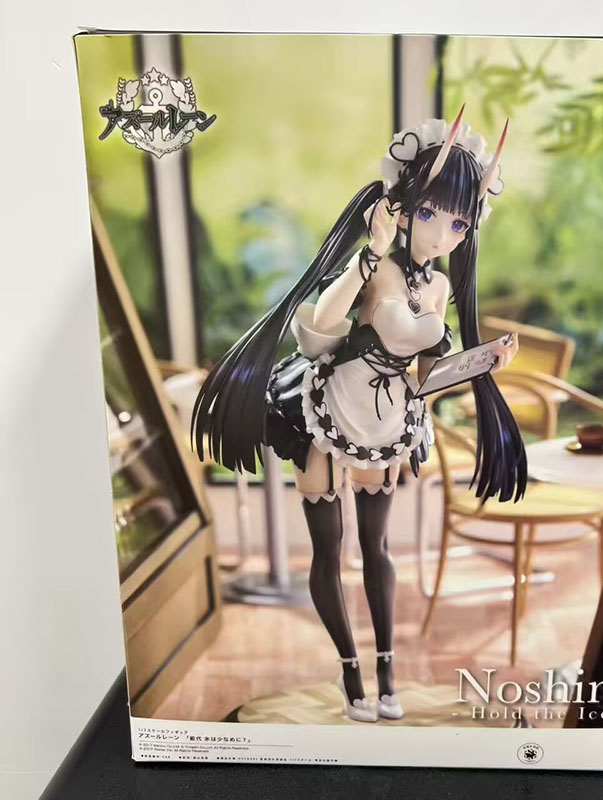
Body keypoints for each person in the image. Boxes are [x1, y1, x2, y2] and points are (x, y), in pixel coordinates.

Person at [192, 109, 528, 723]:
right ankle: (350, 672)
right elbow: (320, 325)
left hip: (389, 422)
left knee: (377, 547)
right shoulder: (378, 267)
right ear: (404, 207)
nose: (443, 234)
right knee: (330, 549)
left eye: (459, 223)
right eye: (430, 214)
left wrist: (482, 365)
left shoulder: (439, 289)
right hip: (329, 410)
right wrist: (367, 259)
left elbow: (424, 377)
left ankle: (387, 671)